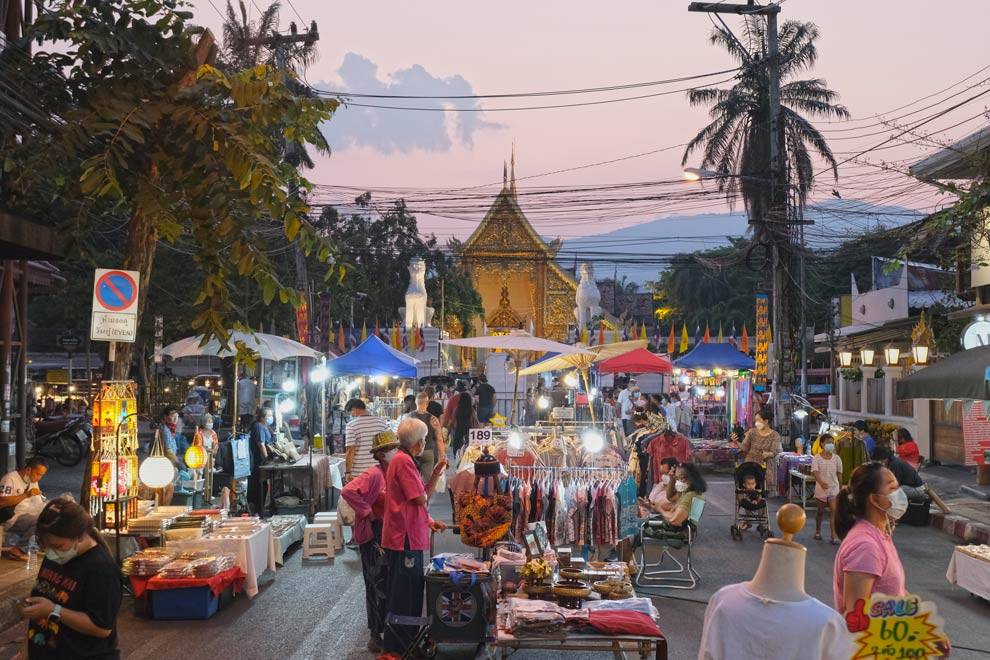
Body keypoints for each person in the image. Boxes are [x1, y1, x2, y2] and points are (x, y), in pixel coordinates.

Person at [19, 498, 121, 660]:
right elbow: (39, 609)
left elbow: (102, 628)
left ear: (79, 537)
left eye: (58, 546)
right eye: (46, 546)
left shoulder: (102, 569)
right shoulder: (55, 557)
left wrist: (54, 610)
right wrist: (24, 652)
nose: (51, 552)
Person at [381, 418, 447, 655]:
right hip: (404, 538)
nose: (425, 443)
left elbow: (417, 502)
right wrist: (434, 479)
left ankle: (407, 643)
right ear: (418, 442)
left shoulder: (404, 460)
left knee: (411, 592)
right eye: (424, 439)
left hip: (409, 534)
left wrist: (436, 473)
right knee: (404, 594)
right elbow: (420, 499)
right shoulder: (403, 462)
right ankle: (398, 647)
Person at [341, 430, 400, 654]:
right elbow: (348, 491)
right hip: (374, 534)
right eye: (390, 449)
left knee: (389, 583)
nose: (394, 452)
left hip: (389, 532)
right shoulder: (374, 474)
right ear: (380, 454)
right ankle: (375, 635)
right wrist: (367, 512)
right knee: (376, 584)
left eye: (395, 448)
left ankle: (387, 629)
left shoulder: (393, 472)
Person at [833, 462, 907, 619]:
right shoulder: (865, 546)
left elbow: (896, 592)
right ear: (874, 499)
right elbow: (856, 616)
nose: (900, 494)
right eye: (892, 489)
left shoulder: (880, 535)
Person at [0, 457, 48, 560]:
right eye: (38, 474)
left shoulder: (32, 480)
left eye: (42, 475)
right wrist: (26, 495)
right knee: (39, 521)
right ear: (28, 470)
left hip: (26, 516)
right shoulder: (10, 479)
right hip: (11, 519)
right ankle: (18, 550)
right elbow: (2, 502)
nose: (39, 478)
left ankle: (43, 546)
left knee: (50, 517)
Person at [643, 463, 706, 536]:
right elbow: (670, 497)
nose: (678, 481)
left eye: (680, 478)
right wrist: (672, 478)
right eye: (677, 478)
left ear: (690, 479)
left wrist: (660, 509)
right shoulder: (690, 492)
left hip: (679, 531)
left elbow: (674, 520)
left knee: (637, 526)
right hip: (682, 528)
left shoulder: (690, 496)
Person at [344, 398, 388, 484]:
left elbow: (350, 450)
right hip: (378, 469)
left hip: (359, 472)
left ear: (354, 409)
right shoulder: (382, 423)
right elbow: (387, 447)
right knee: (378, 496)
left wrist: (347, 471)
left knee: (361, 496)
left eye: (350, 413)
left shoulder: (351, 425)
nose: (351, 416)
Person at [408, 392, 446, 484]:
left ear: (416, 403)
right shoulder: (433, 419)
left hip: (412, 453)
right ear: (427, 403)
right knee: (426, 483)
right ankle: (424, 497)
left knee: (412, 481)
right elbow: (439, 440)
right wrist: (442, 458)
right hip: (428, 452)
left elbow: (402, 438)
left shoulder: (408, 417)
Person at [811, 435, 843, 544]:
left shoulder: (837, 458)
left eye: (832, 442)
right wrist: (821, 482)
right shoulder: (817, 458)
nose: (831, 444)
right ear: (822, 444)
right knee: (820, 511)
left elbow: (839, 474)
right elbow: (815, 472)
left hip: (834, 488)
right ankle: (817, 531)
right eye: (828, 442)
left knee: (834, 510)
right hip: (821, 488)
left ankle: (834, 536)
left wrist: (840, 488)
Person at [247, 406, 274, 514]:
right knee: (259, 486)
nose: (271, 418)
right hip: (257, 462)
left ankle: (261, 509)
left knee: (264, 486)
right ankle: (257, 511)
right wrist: (267, 458)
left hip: (262, 462)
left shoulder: (266, 427)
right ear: (263, 417)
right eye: (269, 416)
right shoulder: (258, 426)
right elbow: (261, 445)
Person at [449, 389, 479, 458]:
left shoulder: (457, 408)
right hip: (469, 429)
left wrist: (452, 426)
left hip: (459, 428)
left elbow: (453, 418)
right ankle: (467, 455)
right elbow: (475, 420)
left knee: (457, 442)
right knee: (468, 443)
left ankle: (456, 455)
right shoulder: (471, 409)